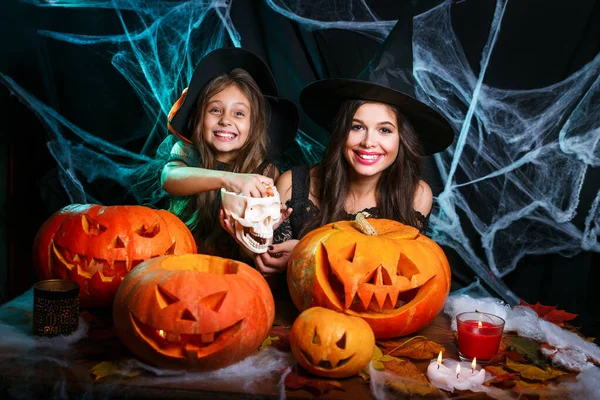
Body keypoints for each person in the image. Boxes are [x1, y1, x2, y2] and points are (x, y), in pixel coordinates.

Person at [251, 10, 455, 275]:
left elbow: (397, 275)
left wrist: (308, 253)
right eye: (357, 127)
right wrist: (251, 236)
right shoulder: (292, 185)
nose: (369, 142)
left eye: (385, 130)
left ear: (402, 140)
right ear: (340, 132)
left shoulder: (417, 195)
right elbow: (268, 267)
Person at [161, 47, 298, 260]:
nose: (225, 120)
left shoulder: (265, 171)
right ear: (200, 118)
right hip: (179, 260)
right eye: (215, 110)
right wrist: (230, 180)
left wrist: (265, 221)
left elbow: (253, 254)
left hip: (233, 270)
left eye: (239, 113)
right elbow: (169, 178)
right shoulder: (186, 151)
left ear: (254, 125)